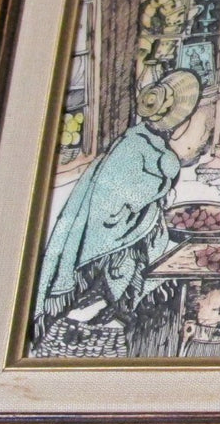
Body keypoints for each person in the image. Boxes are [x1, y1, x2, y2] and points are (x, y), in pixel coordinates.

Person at [31, 70, 201, 358]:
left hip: (113, 227)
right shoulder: (144, 151)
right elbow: (132, 199)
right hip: (109, 236)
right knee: (128, 273)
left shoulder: (137, 140)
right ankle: (100, 327)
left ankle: (112, 317)